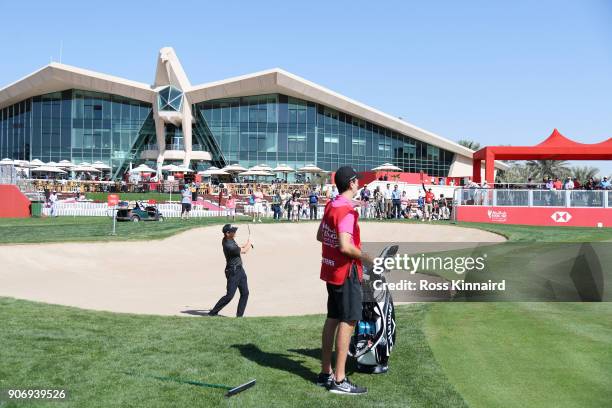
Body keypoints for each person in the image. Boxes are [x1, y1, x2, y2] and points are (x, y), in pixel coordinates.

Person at [316, 166, 371, 395]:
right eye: (357, 180)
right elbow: (346, 246)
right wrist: (369, 258)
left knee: (333, 319)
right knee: (348, 321)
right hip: (345, 272)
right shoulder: (346, 211)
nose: (359, 184)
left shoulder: (332, 204)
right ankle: (339, 380)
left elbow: (320, 235)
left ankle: (325, 373)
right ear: (351, 183)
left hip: (331, 270)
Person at [209, 224, 251, 317]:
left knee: (245, 293)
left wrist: (245, 244)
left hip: (240, 270)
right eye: (233, 231)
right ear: (227, 233)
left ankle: (239, 316)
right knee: (229, 296)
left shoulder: (229, 239)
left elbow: (239, 247)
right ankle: (213, 312)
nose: (235, 232)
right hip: (233, 271)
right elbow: (243, 251)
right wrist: (250, 244)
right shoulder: (228, 245)